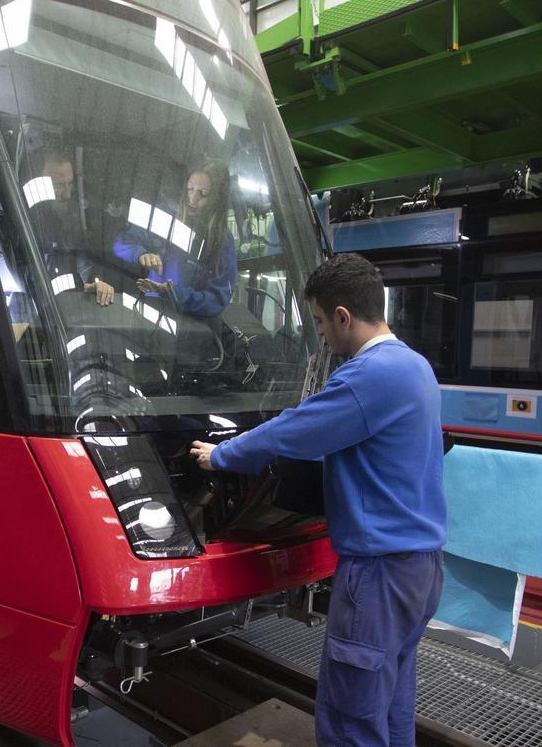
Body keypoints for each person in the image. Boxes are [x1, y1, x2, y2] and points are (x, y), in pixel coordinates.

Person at [189, 253, 446, 747]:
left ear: (344, 316)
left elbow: (296, 430)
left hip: (379, 576)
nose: (322, 335)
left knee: (351, 720)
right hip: (421, 569)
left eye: (322, 322)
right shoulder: (415, 365)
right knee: (391, 705)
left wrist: (222, 454)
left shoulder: (368, 375)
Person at [113, 158, 236, 317]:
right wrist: (141, 254)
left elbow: (217, 300)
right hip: (150, 314)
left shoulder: (221, 240)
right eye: (189, 189)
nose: (192, 200)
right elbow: (121, 242)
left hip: (192, 327)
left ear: (218, 198)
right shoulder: (163, 216)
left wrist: (173, 293)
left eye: (203, 194)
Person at [31, 150, 114, 306]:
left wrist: (95, 282)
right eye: (59, 186)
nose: (68, 194)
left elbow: (84, 256)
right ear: (40, 182)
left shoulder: (76, 215)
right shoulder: (25, 216)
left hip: (66, 301)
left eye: (70, 184)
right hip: (34, 301)